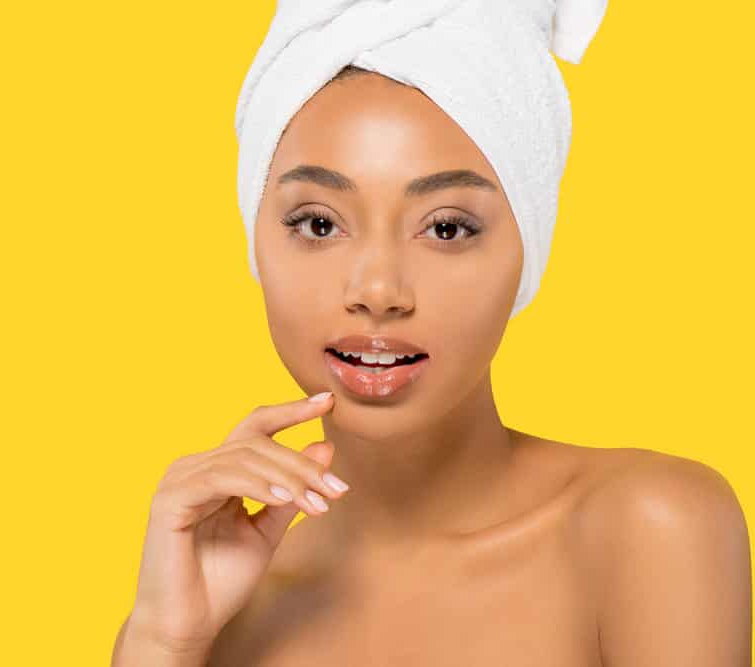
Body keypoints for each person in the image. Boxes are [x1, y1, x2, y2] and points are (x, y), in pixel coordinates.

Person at [112, 13, 752, 667]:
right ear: (257, 244)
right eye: (318, 223)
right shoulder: (209, 603)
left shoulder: (649, 526)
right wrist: (161, 641)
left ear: (526, 252)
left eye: (445, 228)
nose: (379, 288)